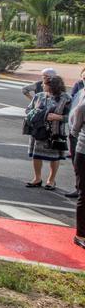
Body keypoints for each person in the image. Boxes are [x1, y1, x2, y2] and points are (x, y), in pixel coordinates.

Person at [25, 75, 71, 191]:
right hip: (39, 131)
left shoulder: (65, 98)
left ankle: (51, 180)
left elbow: (71, 117)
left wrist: (58, 117)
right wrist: (36, 112)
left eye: (44, 84)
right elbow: (28, 110)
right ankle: (37, 178)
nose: (42, 85)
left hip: (55, 132)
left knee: (54, 157)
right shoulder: (39, 96)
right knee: (36, 155)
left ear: (52, 86)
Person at [70, 98, 85, 249]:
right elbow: (74, 130)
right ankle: (80, 235)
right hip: (84, 154)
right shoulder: (82, 107)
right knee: (84, 194)